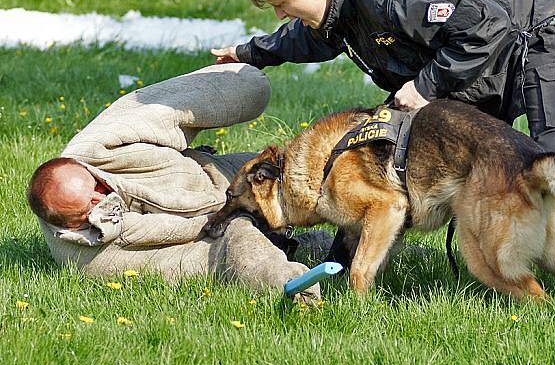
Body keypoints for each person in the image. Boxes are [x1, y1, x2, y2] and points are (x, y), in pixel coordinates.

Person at [210, 0, 555, 305]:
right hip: (480, 57)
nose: (282, 15)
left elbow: (487, 26)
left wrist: (425, 88)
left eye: (282, 3)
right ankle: (337, 279)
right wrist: (249, 53)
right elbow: (313, 39)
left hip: (540, 38)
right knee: (375, 153)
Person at [27, 63, 330, 299]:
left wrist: (242, 76)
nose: (100, 196)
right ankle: (308, 281)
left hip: (214, 174)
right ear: (68, 226)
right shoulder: (86, 257)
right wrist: (273, 267)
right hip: (219, 230)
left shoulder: (98, 146)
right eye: (88, 205)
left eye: (94, 185)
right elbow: (203, 261)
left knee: (311, 174)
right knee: (245, 241)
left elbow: (167, 112)